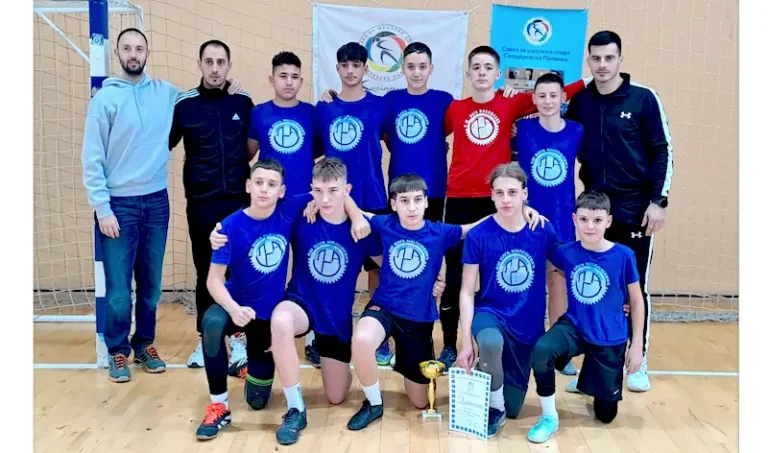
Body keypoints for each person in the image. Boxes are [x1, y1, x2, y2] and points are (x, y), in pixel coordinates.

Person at [438, 45, 590, 370]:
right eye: (476, 67)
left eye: (487, 67)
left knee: (498, 275)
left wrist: (591, 79)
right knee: (457, 278)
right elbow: (433, 135)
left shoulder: (511, 102)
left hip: (497, 200)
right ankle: (452, 344)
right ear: (468, 73)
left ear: (497, 73)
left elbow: (554, 94)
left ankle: (504, 340)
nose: (481, 72)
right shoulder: (455, 108)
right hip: (459, 200)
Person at [195, 158, 369, 441]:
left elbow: (330, 191)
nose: (265, 189)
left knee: (257, 401)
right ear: (248, 186)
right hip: (236, 306)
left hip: (265, 320)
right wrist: (233, 309)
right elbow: (213, 281)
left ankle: (251, 369)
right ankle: (219, 407)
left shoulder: (288, 211)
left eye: (272, 184)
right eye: (259, 183)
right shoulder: (228, 227)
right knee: (211, 325)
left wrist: (357, 215)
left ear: (282, 191)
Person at [564, 30, 674, 392]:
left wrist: (659, 200)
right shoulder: (580, 101)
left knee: (633, 286)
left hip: (636, 208)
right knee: (594, 287)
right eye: (596, 58)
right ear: (589, 61)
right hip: (595, 208)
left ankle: (637, 361)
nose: (602, 65)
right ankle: (594, 369)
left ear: (620, 59)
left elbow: (663, 150)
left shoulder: (643, 98)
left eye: (609, 58)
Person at [527, 190, 645, 443]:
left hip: (609, 335)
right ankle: (549, 417)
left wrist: (636, 346)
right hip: (576, 327)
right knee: (543, 349)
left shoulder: (624, 256)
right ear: (574, 219)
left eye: (597, 220)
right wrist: (528, 210)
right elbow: (545, 234)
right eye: (583, 220)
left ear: (608, 221)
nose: (590, 227)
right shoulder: (567, 252)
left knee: (605, 415)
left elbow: (636, 300)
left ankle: (589, 381)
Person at [457, 163, 559, 438]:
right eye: (499, 193)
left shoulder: (542, 230)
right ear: (491, 195)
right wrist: (466, 341)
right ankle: (495, 407)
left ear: (524, 194)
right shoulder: (479, 235)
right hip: (490, 313)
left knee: (515, 408)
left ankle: (494, 379)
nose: (506, 199)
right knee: (491, 343)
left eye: (512, 192)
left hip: (526, 326)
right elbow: (466, 291)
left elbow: (564, 267)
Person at [170, 39, 253, 373]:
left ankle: (239, 337)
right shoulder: (185, 104)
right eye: (209, 62)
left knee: (238, 270)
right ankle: (207, 338)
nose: (215, 68)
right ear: (200, 65)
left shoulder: (243, 101)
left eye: (221, 62)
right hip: (202, 203)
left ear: (229, 66)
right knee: (207, 269)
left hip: (238, 203)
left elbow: (252, 147)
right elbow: (161, 144)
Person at [314, 42, 391, 364]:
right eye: (344, 65)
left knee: (378, 270)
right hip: (333, 205)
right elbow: (314, 152)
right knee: (333, 272)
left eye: (356, 65)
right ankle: (327, 336)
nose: (350, 70)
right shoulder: (324, 108)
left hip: (372, 199)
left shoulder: (380, 106)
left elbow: (393, 141)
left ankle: (378, 336)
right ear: (337, 68)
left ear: (365, 68)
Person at [514, 72, 585, 376]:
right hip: (527, 219)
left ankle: (558, 351)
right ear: (534, 99)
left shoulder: (577, 131)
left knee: (557, 283)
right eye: (541, 96)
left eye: (553, 95)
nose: (547, 101)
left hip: (562, 220)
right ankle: (523, 345)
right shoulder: (523, 129)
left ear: (563, 98)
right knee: (526, 282)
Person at [248, 51, 320, 198]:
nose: (289, 82)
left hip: (305, 195)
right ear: (271, 80)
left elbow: (320, 149)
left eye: (294, 77)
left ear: (301, 81)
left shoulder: (312, 112)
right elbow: (249, 153)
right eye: (283, 76)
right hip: (269, 196)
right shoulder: (258, 113)